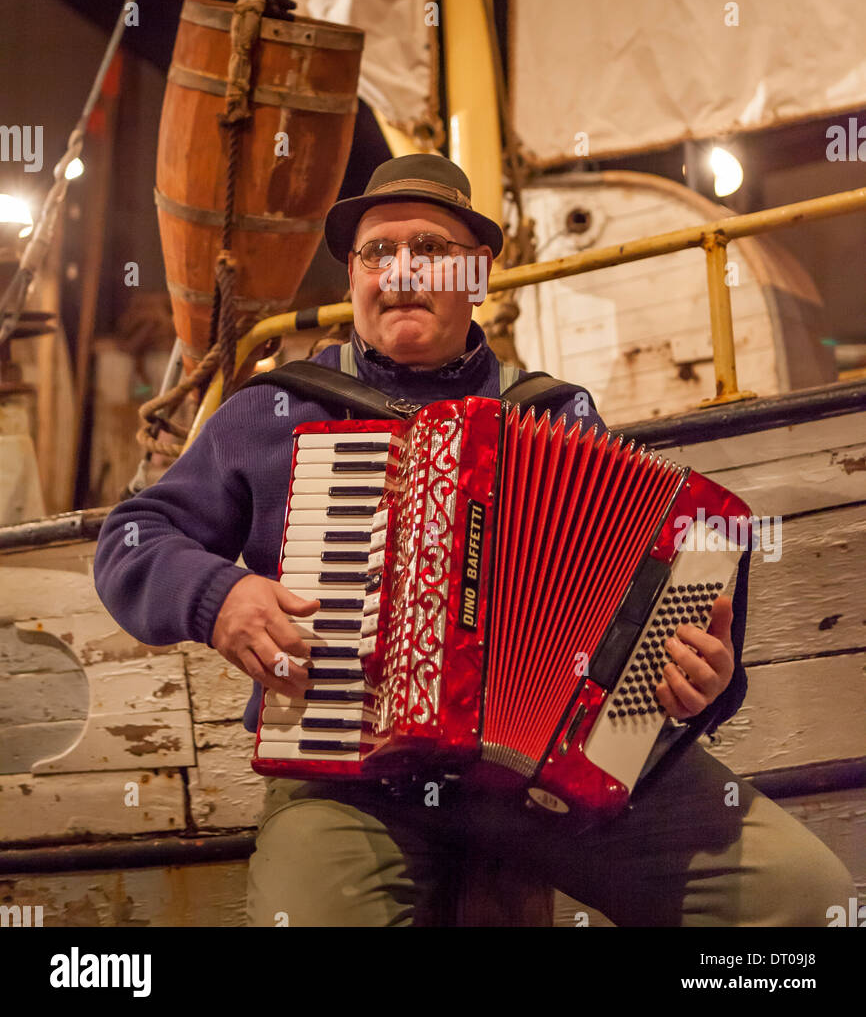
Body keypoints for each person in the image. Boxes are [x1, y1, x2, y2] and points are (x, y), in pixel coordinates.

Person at [94, 154, 854, 927]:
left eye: (430, 249)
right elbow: (130, 538)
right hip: (351, 780)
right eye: (376, 253)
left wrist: (705, 683)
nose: (400, 272)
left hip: (549, 778)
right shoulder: (278, 412)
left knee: (806, 903)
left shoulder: (555, 414)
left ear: (479, 275)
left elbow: (638, 622)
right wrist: (218, 597)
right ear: (353, 277)